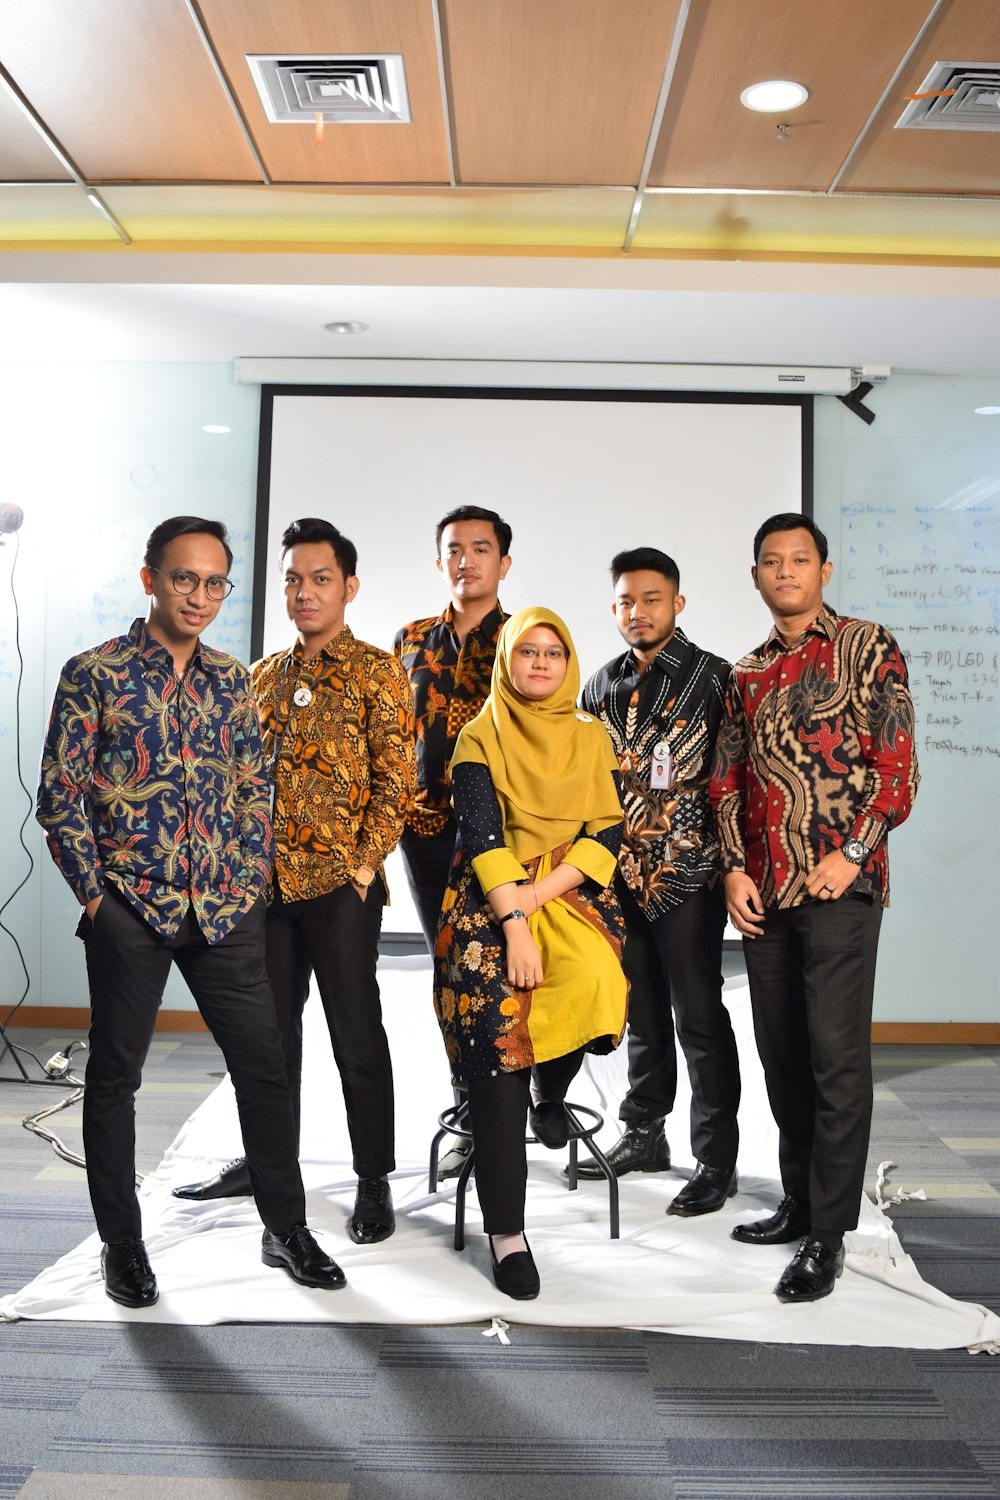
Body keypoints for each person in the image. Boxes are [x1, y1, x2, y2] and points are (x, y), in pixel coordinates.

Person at [37, 516, 345, 1307]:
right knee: (115, 1079)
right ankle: (124, 1247)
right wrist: (95, 898)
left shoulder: (230, 679)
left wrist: (246, 878)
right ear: (150, 578)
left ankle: (285, 1228)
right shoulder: (94, 674)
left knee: (265, 1069)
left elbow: (253, 787)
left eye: (215, 583)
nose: (200, 595)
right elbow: (61, 795)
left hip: (224, 910)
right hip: (130, 909)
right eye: (185, 578)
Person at [175, 518, 415, 1248]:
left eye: (318, 579)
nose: (303, 592)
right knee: (267, 1042)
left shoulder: (379, 671)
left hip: (340, 890)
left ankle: (373, 1179)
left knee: (356, 1039)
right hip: (265, 895)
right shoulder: (263, 676)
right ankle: (264, 1162)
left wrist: (364, 866)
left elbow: (396, 782)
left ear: (348, 587)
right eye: (291, 579)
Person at [710, 513, 919, 1303]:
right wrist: (733, 870)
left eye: (800, 559)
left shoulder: (868, 647)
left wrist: (852, 853)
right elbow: (725, 782)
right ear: (757, 576)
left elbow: (896, 773)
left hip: (841, 887)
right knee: (783, 1055)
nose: (786, 571)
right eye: (772, 561)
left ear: (823, 571)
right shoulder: (745, 672)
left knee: (835, 1058)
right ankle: (798, 1201)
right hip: (764, 894)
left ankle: (827, 1234)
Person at [434, 606, 628, 1301]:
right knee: (498, 1014)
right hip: (491, 891)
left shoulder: (589, 735)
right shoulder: (478, 734)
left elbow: (605, 833)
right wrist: (516, 924)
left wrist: (543, 896)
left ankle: (554, 1091)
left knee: (594, 974)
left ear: (567, 662)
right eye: (528, 653)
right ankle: (507, 1231)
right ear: (508, 663)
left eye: (553, 653)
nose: (541, 664)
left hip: (564, 886)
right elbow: (485, 839)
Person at [576, 548, 740, 1216]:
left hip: (687, 872)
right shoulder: (598, 687)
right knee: (639, 1011)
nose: (637, 612)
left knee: (698, 1015)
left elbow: (734, 781)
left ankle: (715, 1160)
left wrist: (732, 867)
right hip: (617, 875)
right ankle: (645, 1132)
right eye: (625, 601)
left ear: (676, 602)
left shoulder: (715, 678)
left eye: (651, 598)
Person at [393, 506, 511, 1177]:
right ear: (441, 561)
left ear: (504, 562)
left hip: (499, 836)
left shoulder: (525, 639)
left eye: (481, 548)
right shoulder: (409, 638)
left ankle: (516, 1102)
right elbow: (389, 737)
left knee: (499, 970)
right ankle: (468, 1107)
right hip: (426, 833)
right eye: (454, 549)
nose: (466, 559)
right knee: (449, 972)